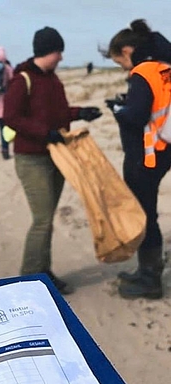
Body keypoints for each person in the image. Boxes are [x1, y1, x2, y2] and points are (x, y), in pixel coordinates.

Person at [2, 26, 102, 295]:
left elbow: (57, 113)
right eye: (58, 51)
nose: (61, 57)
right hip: (31, 158)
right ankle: (29, 280)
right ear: (47, 51)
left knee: (47, 217)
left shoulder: (53, 80)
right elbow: (10, 117)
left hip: (57, 156)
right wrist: (44, 133)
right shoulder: (22, 79)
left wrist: (81, 112)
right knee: (43, 219)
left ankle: (43, 272)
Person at [102, 19, 171, 299]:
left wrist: (118, 109)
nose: (123, 67)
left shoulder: (142, 72)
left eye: (120, 61)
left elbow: (137, 115)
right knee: (148, 212)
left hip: (146, 155)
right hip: (164, 150)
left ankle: (149, 278)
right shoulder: (164, 67)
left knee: (144, 215)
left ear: (127, 50)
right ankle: (148, 270)